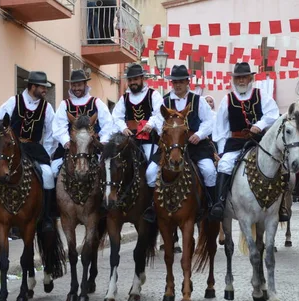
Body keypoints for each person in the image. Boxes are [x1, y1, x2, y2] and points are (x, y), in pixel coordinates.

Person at [143, 64, 216, 223]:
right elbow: (157, 118)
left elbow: (209, 121)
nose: (177, 85)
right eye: (175, 82)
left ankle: (211, 205)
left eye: (181, 82)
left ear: (187, 82)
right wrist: (150, 125)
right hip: (170, 148)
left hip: (195, 146)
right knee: (150, 173)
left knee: (209, 171)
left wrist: (199, 134)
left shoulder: (199, 100)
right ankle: (152, 207)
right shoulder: (165, 101)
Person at [210, 62, 280, 221]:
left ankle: (281, 205)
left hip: (258, 142)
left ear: (250, 78)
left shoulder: (261, 94)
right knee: (224, 165)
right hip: (236, 142)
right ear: (234, 80)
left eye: (244, 78)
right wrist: (222, 150)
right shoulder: (227, 99)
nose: (241, 81)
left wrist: (259, 125)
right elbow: (220, 128)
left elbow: (273, 114)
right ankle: (220, 203)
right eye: (238, 78)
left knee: (279, 164)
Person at [0, 71, 58, 232]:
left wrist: (47, 153)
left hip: (34, 148)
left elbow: (51, 133)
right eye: (43, 87)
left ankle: (48, 217)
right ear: (33, 86)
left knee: (48, 175)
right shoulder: (13, 101)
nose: (45, 91)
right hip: (11, 149)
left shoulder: (47, 107)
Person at [52, 69, 115, 178]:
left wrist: (103, 141)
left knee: (106, 169)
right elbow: (58, 126)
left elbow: (108, 124)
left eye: (79, 85)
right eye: (74, 85)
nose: (76, 88)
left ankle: (106, 194)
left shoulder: (96, 102)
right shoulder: (64, 104)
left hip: (92, 146)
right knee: (53, 170)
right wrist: (65, 141)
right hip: (70, 147)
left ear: (85, 85)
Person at [111, 63, 163, 163]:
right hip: (129, 140)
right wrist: (123, 128)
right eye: (130, 80)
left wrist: (150, 124)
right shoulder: (124, 98)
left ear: (142, 79)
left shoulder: (153, 95)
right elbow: (116, 117)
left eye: (135, 79)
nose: (132, 82)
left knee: (150, 164)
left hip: (148, 140)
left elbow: (159, 113)